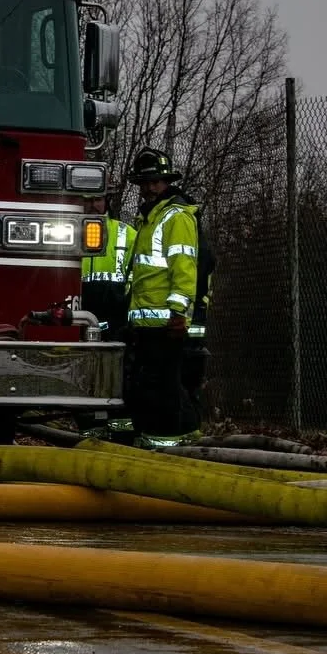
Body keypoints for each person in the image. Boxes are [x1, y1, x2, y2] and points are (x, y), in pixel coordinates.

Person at [121, 148, 204, 447]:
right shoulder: (148, 218)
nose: (148, 188)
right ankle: (156, 437)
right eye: (144, 183)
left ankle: (167, 443)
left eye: (154, 181)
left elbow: (184, 266)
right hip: (146, 321)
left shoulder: (175, 217)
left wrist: (178, 313)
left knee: (163, 386)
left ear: (166, 182)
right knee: (147, 385)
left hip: (166, 321)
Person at [79, 188, 135, 340]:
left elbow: (136, 275)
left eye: (97, 199)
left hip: (115, 317)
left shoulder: (127, 233)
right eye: (87, 200)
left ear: (106, 201)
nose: (93, 205)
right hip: (76, 311)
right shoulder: (66, 232)